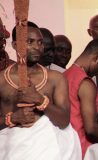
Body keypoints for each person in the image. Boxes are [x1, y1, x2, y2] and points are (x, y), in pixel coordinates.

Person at [0, 21, 81, 160]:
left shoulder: (56, 78)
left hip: (48, 147)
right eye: (30, 42)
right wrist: (12, 118)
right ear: (14, 45)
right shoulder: (1, 80)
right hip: (11, 146)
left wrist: (40, 100)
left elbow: (64, 121)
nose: (37, 47)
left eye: (40, 43)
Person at [64, 39, 98, 158]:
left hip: (66, 147)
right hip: (83, 149)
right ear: (96, 58)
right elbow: (91, 129)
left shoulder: (64, 75)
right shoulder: (85, 83)